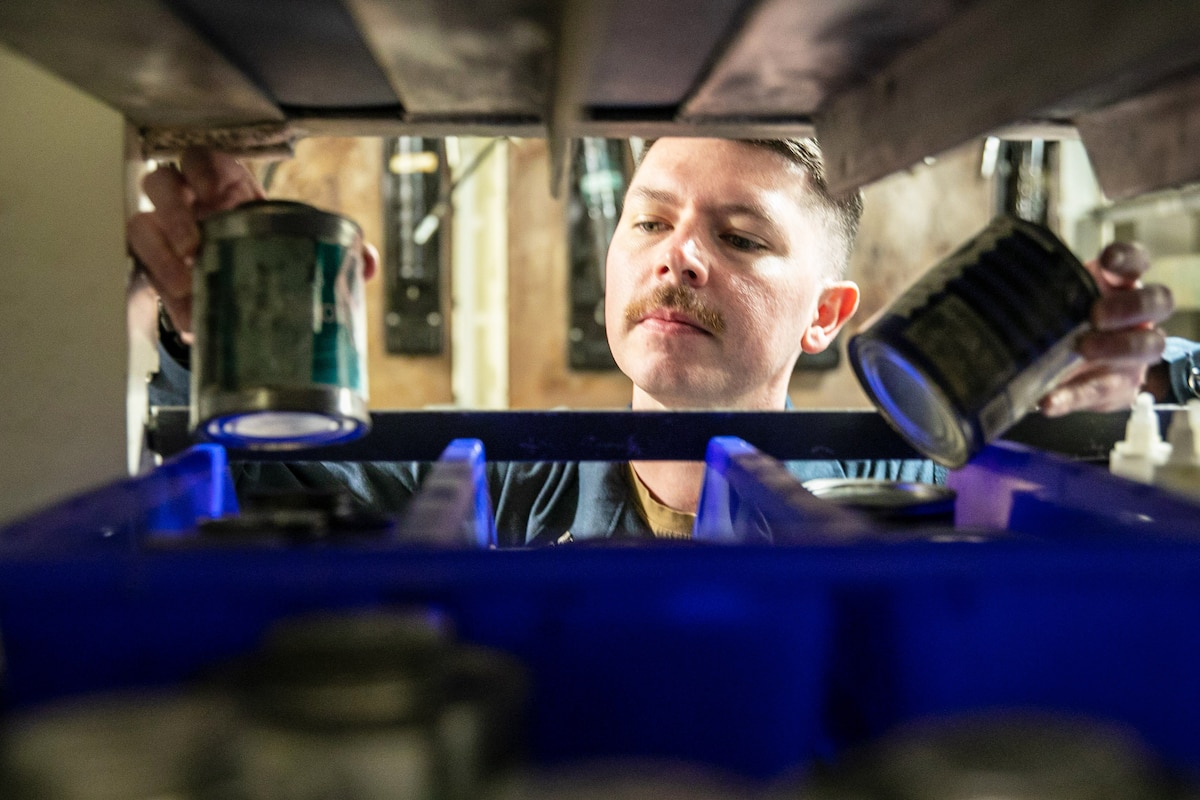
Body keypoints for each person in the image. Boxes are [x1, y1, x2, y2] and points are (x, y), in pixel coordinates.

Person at [130, 138, 1188, 545]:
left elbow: (1062, 500)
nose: (678, 257)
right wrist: (207, 333)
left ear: (828, 313)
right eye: (649, 220)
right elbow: (272, 479)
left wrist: (1088, 395)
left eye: (738, 235)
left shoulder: (902, 486)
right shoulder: (490, 479)